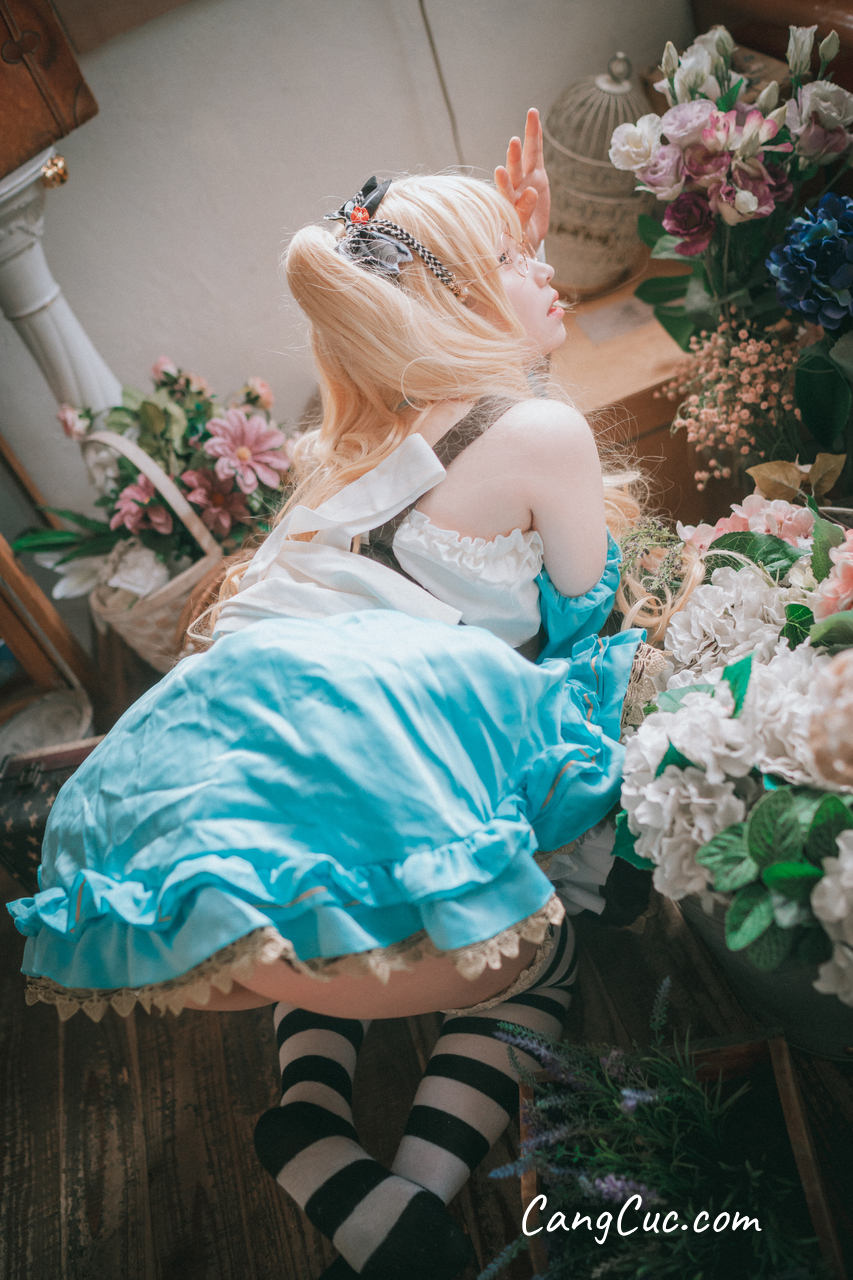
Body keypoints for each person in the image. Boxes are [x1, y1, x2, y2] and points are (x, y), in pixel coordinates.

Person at [8, 112, 665, 1280]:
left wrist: (498, 283)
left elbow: (481, 427)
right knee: (544, 950)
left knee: (317, 889)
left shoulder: (338, 464)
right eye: (515, 258)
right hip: (359, 910)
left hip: (190, 902)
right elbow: (582, 628)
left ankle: (310, 1126)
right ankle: (414, 1186)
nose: (544, 269)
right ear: (457, 304)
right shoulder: (543, 430)